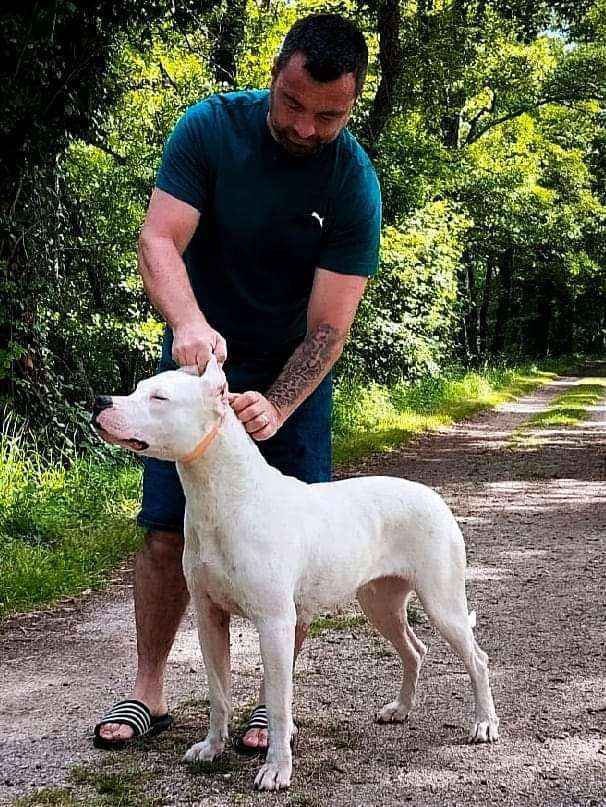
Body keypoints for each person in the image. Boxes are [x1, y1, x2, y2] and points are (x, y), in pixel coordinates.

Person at [93, 11, 381, 754]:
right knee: (166, 529)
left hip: (293, 373)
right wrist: (188, 322)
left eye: (329, 116)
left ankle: (267, 705)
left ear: (352, 103)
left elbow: (330, 328)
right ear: (275, 73)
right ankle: (149, 689)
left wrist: (278, 405)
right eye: (292, 103)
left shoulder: (352, 182)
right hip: (195, 368)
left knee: (297, 536)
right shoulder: (210, 129)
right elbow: (159, 238)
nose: (306, 126)